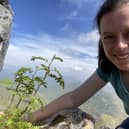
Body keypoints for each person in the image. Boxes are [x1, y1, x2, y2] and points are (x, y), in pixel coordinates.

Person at [23, 0, 129, 128]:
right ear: (101, 42)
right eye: (109, 37)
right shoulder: (109, 69)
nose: (120, 46)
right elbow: (73, 98)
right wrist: (27, 118)